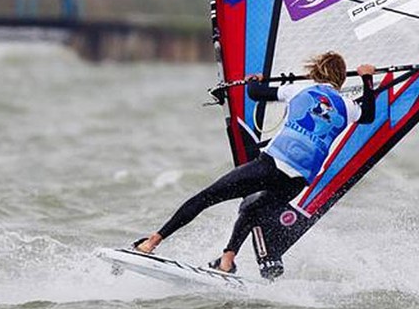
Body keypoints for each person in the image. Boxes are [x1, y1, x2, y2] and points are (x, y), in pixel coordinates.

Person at [132, 52, 376, 279]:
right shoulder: (348, 106)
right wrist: (366, 79)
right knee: (252, 208)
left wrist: (253, 81)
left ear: (315, 72)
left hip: (271, 165)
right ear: (342, 79)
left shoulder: (302, 89)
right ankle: (227, 260)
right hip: (298, 180)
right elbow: (369, 115)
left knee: (207, 197)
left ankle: (151, 243)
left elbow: (257, 94)